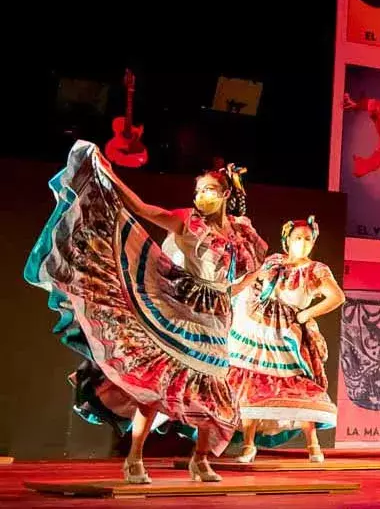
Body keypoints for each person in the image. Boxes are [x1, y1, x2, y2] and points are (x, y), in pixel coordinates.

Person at [25, 143, 267, 484]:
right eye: (198, 190)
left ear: (225, 194)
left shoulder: (240, 233)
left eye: (209, 190)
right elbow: (140, 207)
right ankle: (135, 459)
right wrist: (109, 175)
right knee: (159, 384)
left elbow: (251, 268)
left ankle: (200, 460)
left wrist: (232, 290)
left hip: (217, 316)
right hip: (183, 306)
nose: (202, 196)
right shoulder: (186, 221)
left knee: (209, 388)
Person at [229, 217, 345, 463]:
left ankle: (313, 445)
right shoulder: (273, 261)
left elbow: (337, 297)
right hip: (257, 328)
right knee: (252, 380)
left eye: (307, 239)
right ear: (287, 240)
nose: (302, 243)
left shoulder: (316, 269)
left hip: (286, 332)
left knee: (295, 384)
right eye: (297, 238)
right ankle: (248, 446)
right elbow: (251, 281)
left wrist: (306, 314)